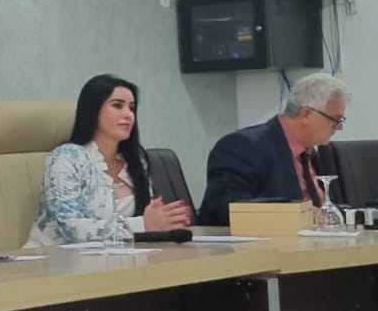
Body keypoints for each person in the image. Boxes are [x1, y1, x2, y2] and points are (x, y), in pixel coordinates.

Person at [25, 74, 192, 247]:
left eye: (131, 108)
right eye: (117, 105)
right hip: (52, 257)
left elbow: (145, 223)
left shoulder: (136, 160)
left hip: (113, 256)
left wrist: (164, 221)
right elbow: (69, 226)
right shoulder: (66, 158)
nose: (128, 115)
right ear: (93, 110)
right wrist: (141, 225)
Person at [197, 72, 351, 226]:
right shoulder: (243, 146)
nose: (340, 128)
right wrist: (296, 215)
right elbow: (226, 208)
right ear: (305, 114)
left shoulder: (311, 154)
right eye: (336, 120)